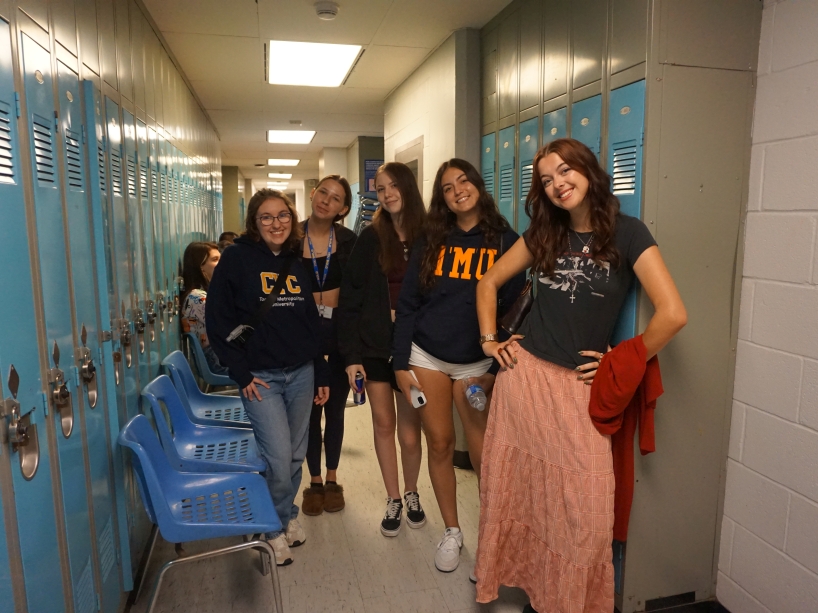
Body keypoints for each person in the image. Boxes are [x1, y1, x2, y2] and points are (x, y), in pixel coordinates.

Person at [473, 138, 687, 612]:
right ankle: (534, 594)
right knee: (524, 493)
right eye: (546, 180)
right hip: (524, 381)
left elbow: (672, 314)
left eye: (565, 171)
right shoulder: (543, 234)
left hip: (576, 389)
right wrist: (490, 341)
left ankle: (565, 601)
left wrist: (620, 360)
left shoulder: (628, 234)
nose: (557, 184)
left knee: (584, 512)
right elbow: (488, 282)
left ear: (589, 171)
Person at [392, 158, 525, 572]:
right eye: (447, 188)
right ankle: (452, 531)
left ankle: (493, 537)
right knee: (441, 444)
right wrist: (400, 363)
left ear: (478, 186)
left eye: (463, 181)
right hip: (427, 355)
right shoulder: (431, 239)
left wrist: (493, 369)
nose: (457, 191)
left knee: (483, 451)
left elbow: (517, 309)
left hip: (475, 363)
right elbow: (409, 303)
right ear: (442, 199)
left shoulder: (505, 239)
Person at [206, 189, 330, 567]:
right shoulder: (236, 259)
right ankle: (270, 529)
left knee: (295, 455)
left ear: (291, 220)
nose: (276, 223)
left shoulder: (297, 260)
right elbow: (217, 321)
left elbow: (312, 320)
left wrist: (321, 370)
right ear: (254, 223)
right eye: (267, 217)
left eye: (283, 216)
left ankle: (283, 517)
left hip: (301, 372)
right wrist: (240, 373)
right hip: (260, 377)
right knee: (277, 457)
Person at [339, 162, 427, 537]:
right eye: (382, 188)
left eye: (394, 186)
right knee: (382, 423)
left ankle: (412, 492)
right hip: (375, 345)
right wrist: (352, 357)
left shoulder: (430, 234)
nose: (388, 193)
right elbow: (350, 300)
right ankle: (393, 497)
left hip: (415, 347)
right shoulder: (371, 237)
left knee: (410, 432)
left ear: (408, 187)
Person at [298, 175, 358, 516]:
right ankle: (315, 481)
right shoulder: (292, 239)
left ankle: (333, 478)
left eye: (335, 198)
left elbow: (360, 293)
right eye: (323, 192)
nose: (326, 200)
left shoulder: (349, 241)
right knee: (310, 414)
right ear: (312, 194)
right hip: (303, 337)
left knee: (334, 410)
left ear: (343, 209)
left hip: (338, 335)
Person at [180, 241, 228, 375]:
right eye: (215, 259)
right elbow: (228, 327)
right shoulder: (198, 298)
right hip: (217, 360)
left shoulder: (207, 292)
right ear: (200, 267)